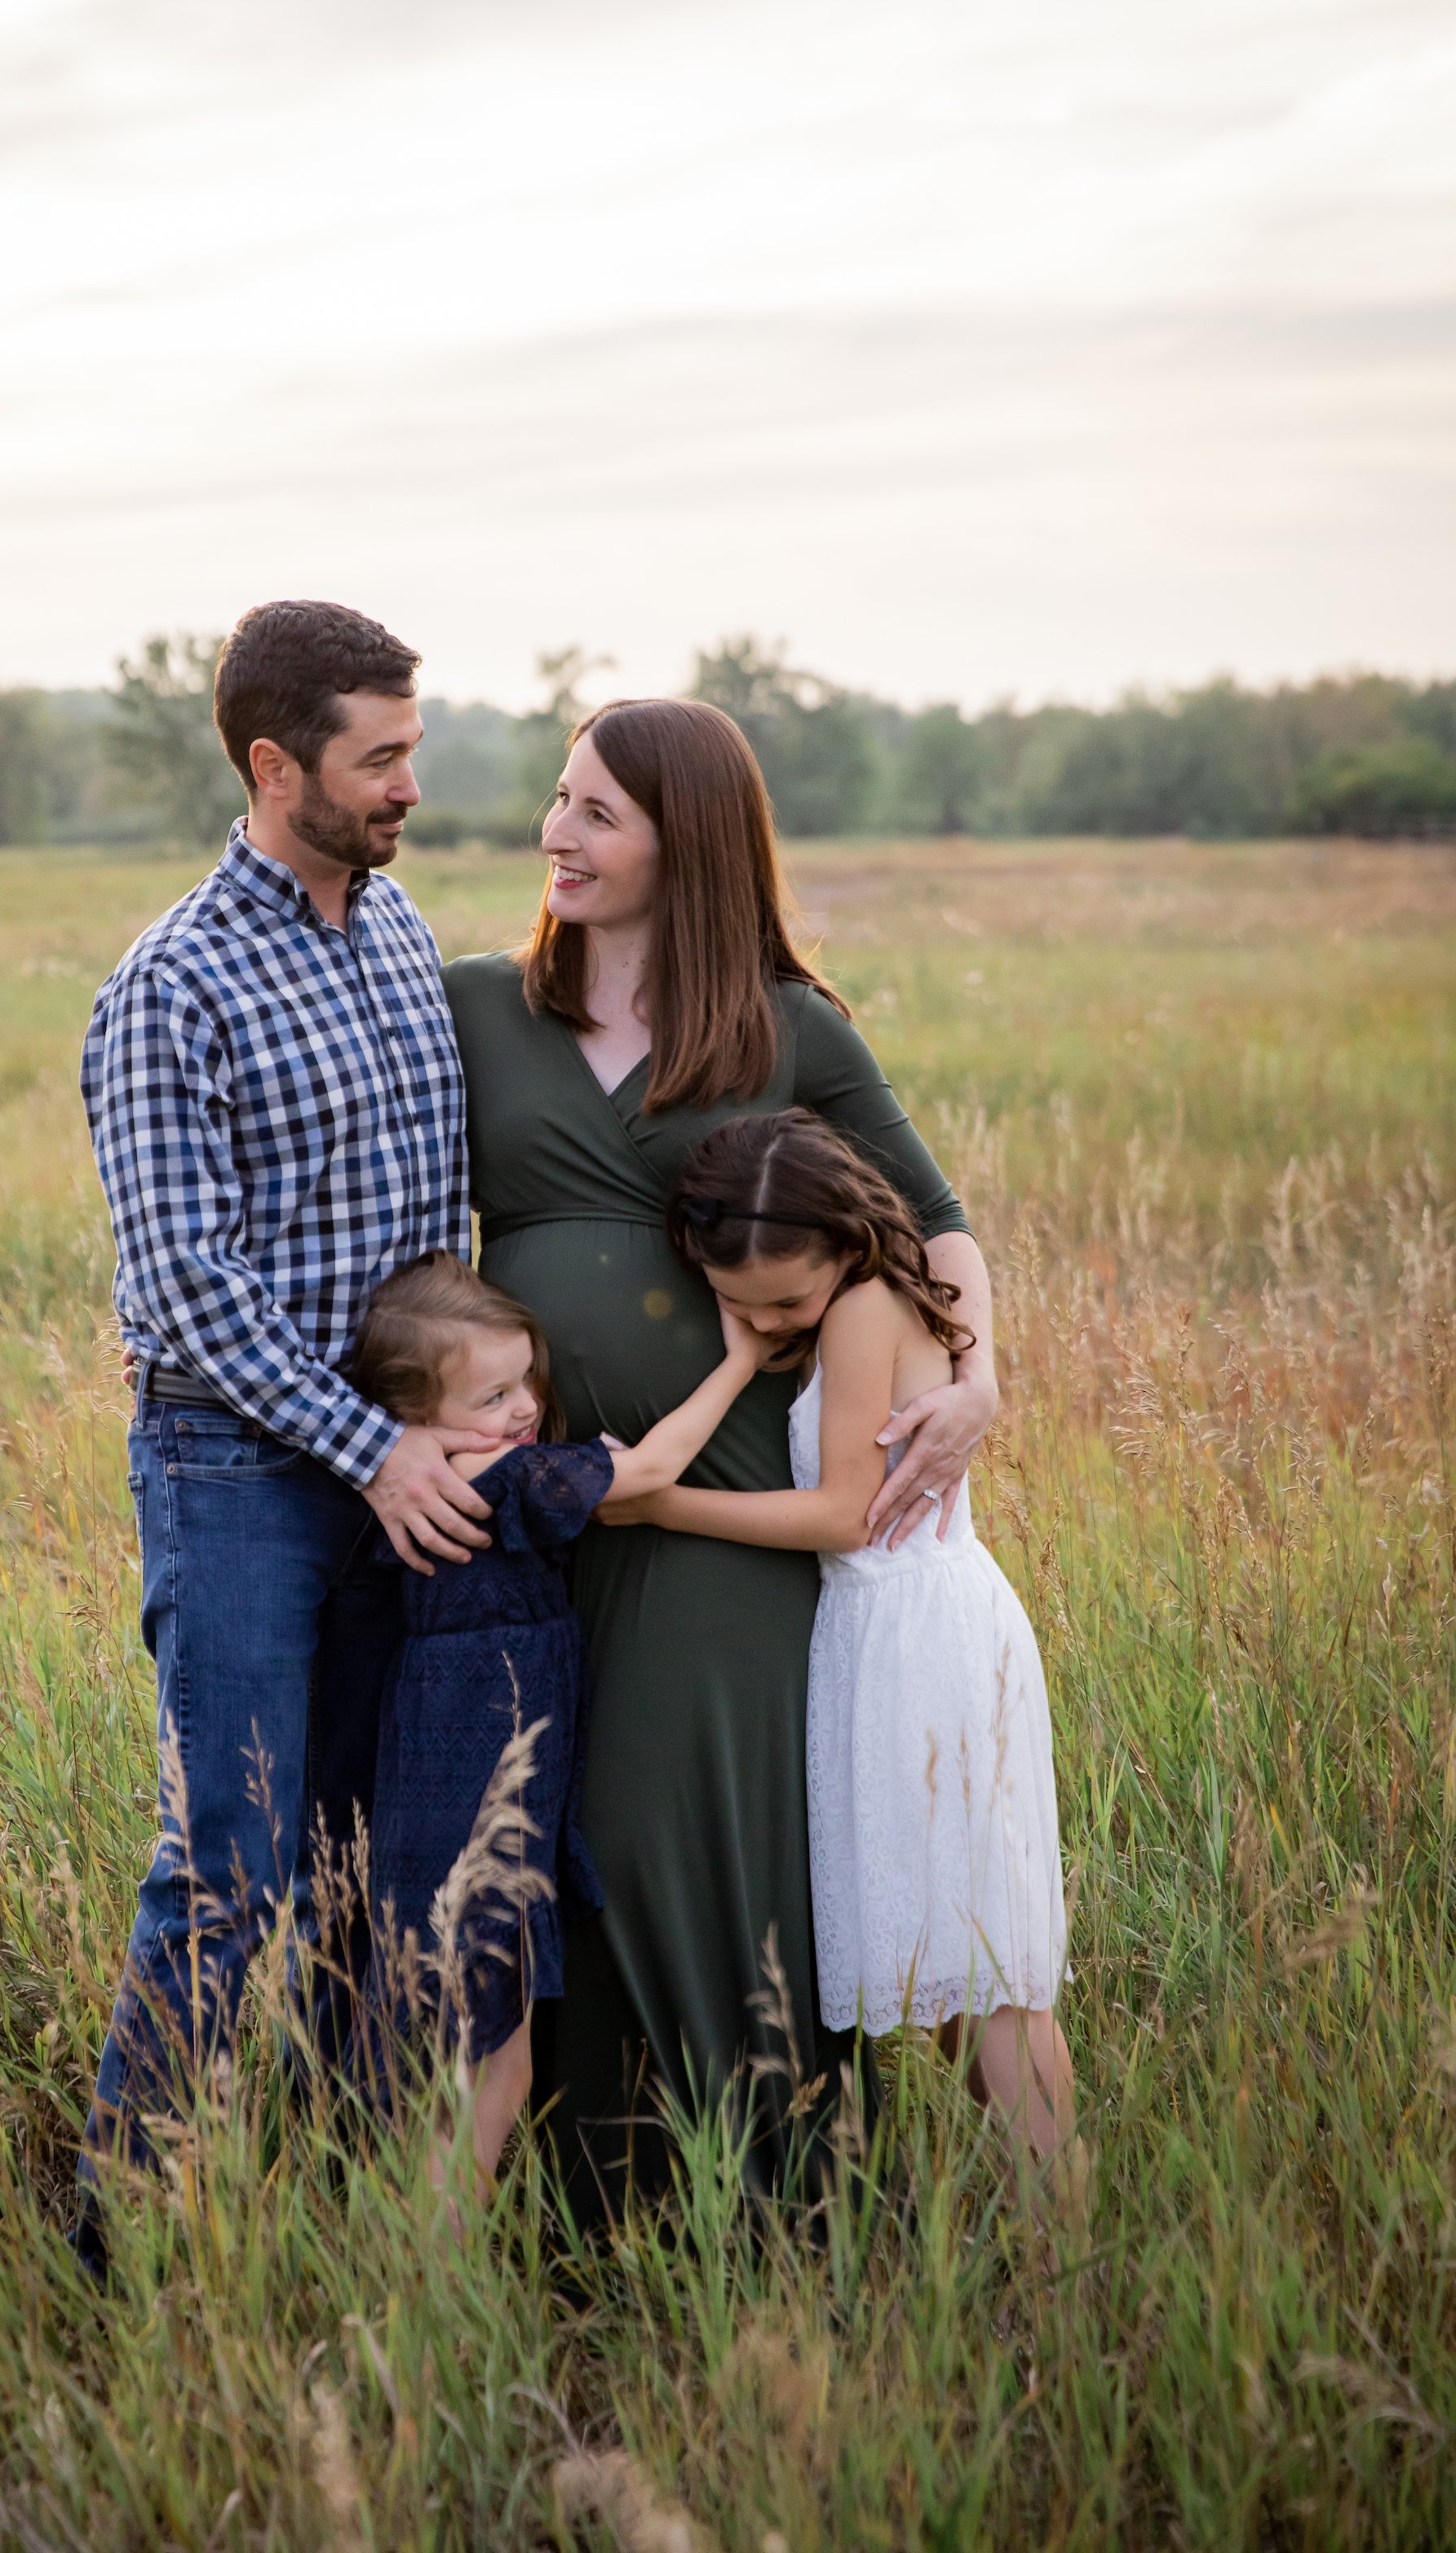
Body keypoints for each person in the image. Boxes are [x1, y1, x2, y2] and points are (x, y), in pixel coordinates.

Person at [443, 697, 999, 2217]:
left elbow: (934, 1219)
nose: (556, 832)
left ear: (684, 843)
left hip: (723, 1503)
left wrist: (982, 1378)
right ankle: (587, 2213)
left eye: (596, 812)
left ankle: (758, 2195)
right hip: (540, 1499)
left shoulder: (786, 1024)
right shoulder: (476, 1004)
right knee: (544, 1836)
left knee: (670, 1814)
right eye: (557, 801)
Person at [74, 598, 502, 2249]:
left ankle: (327, 2206)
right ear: (274, 765)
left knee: (369, 1863)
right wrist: (370, 1446)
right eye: (378, 757)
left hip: (404, 1466)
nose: (410, 783)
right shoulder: (167, 984)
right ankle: (115, 2241)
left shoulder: (395, 930)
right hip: (245, 1468)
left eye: (412, 749)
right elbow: (185, 1282)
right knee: (230, 1865)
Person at [605, 1107, 1075, 2168]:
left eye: (782, 1297)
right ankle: (1039, 2225)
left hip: (919, 1633)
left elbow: (843, 1514)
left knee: (989, 1978)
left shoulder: (864, 1304)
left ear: (845, 1240)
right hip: (897, 1627)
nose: (764, 1319)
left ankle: (1061, 2256)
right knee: (958, 1968)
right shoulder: (876, 1284)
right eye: (733, 1299)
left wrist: (663, 1505)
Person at [344, 1251, 770, 2190]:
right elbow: (655, 1469)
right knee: (497, 2067)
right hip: (490, 1792)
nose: (522, 1406)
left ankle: (412, 2260)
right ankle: (437, 2285)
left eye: (524, 1376)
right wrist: (740, 1361)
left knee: (455, 2055)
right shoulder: (512, 1479)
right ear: (413, 1419)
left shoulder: (431, 1483)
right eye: (489, 1396)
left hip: (431, 1784)